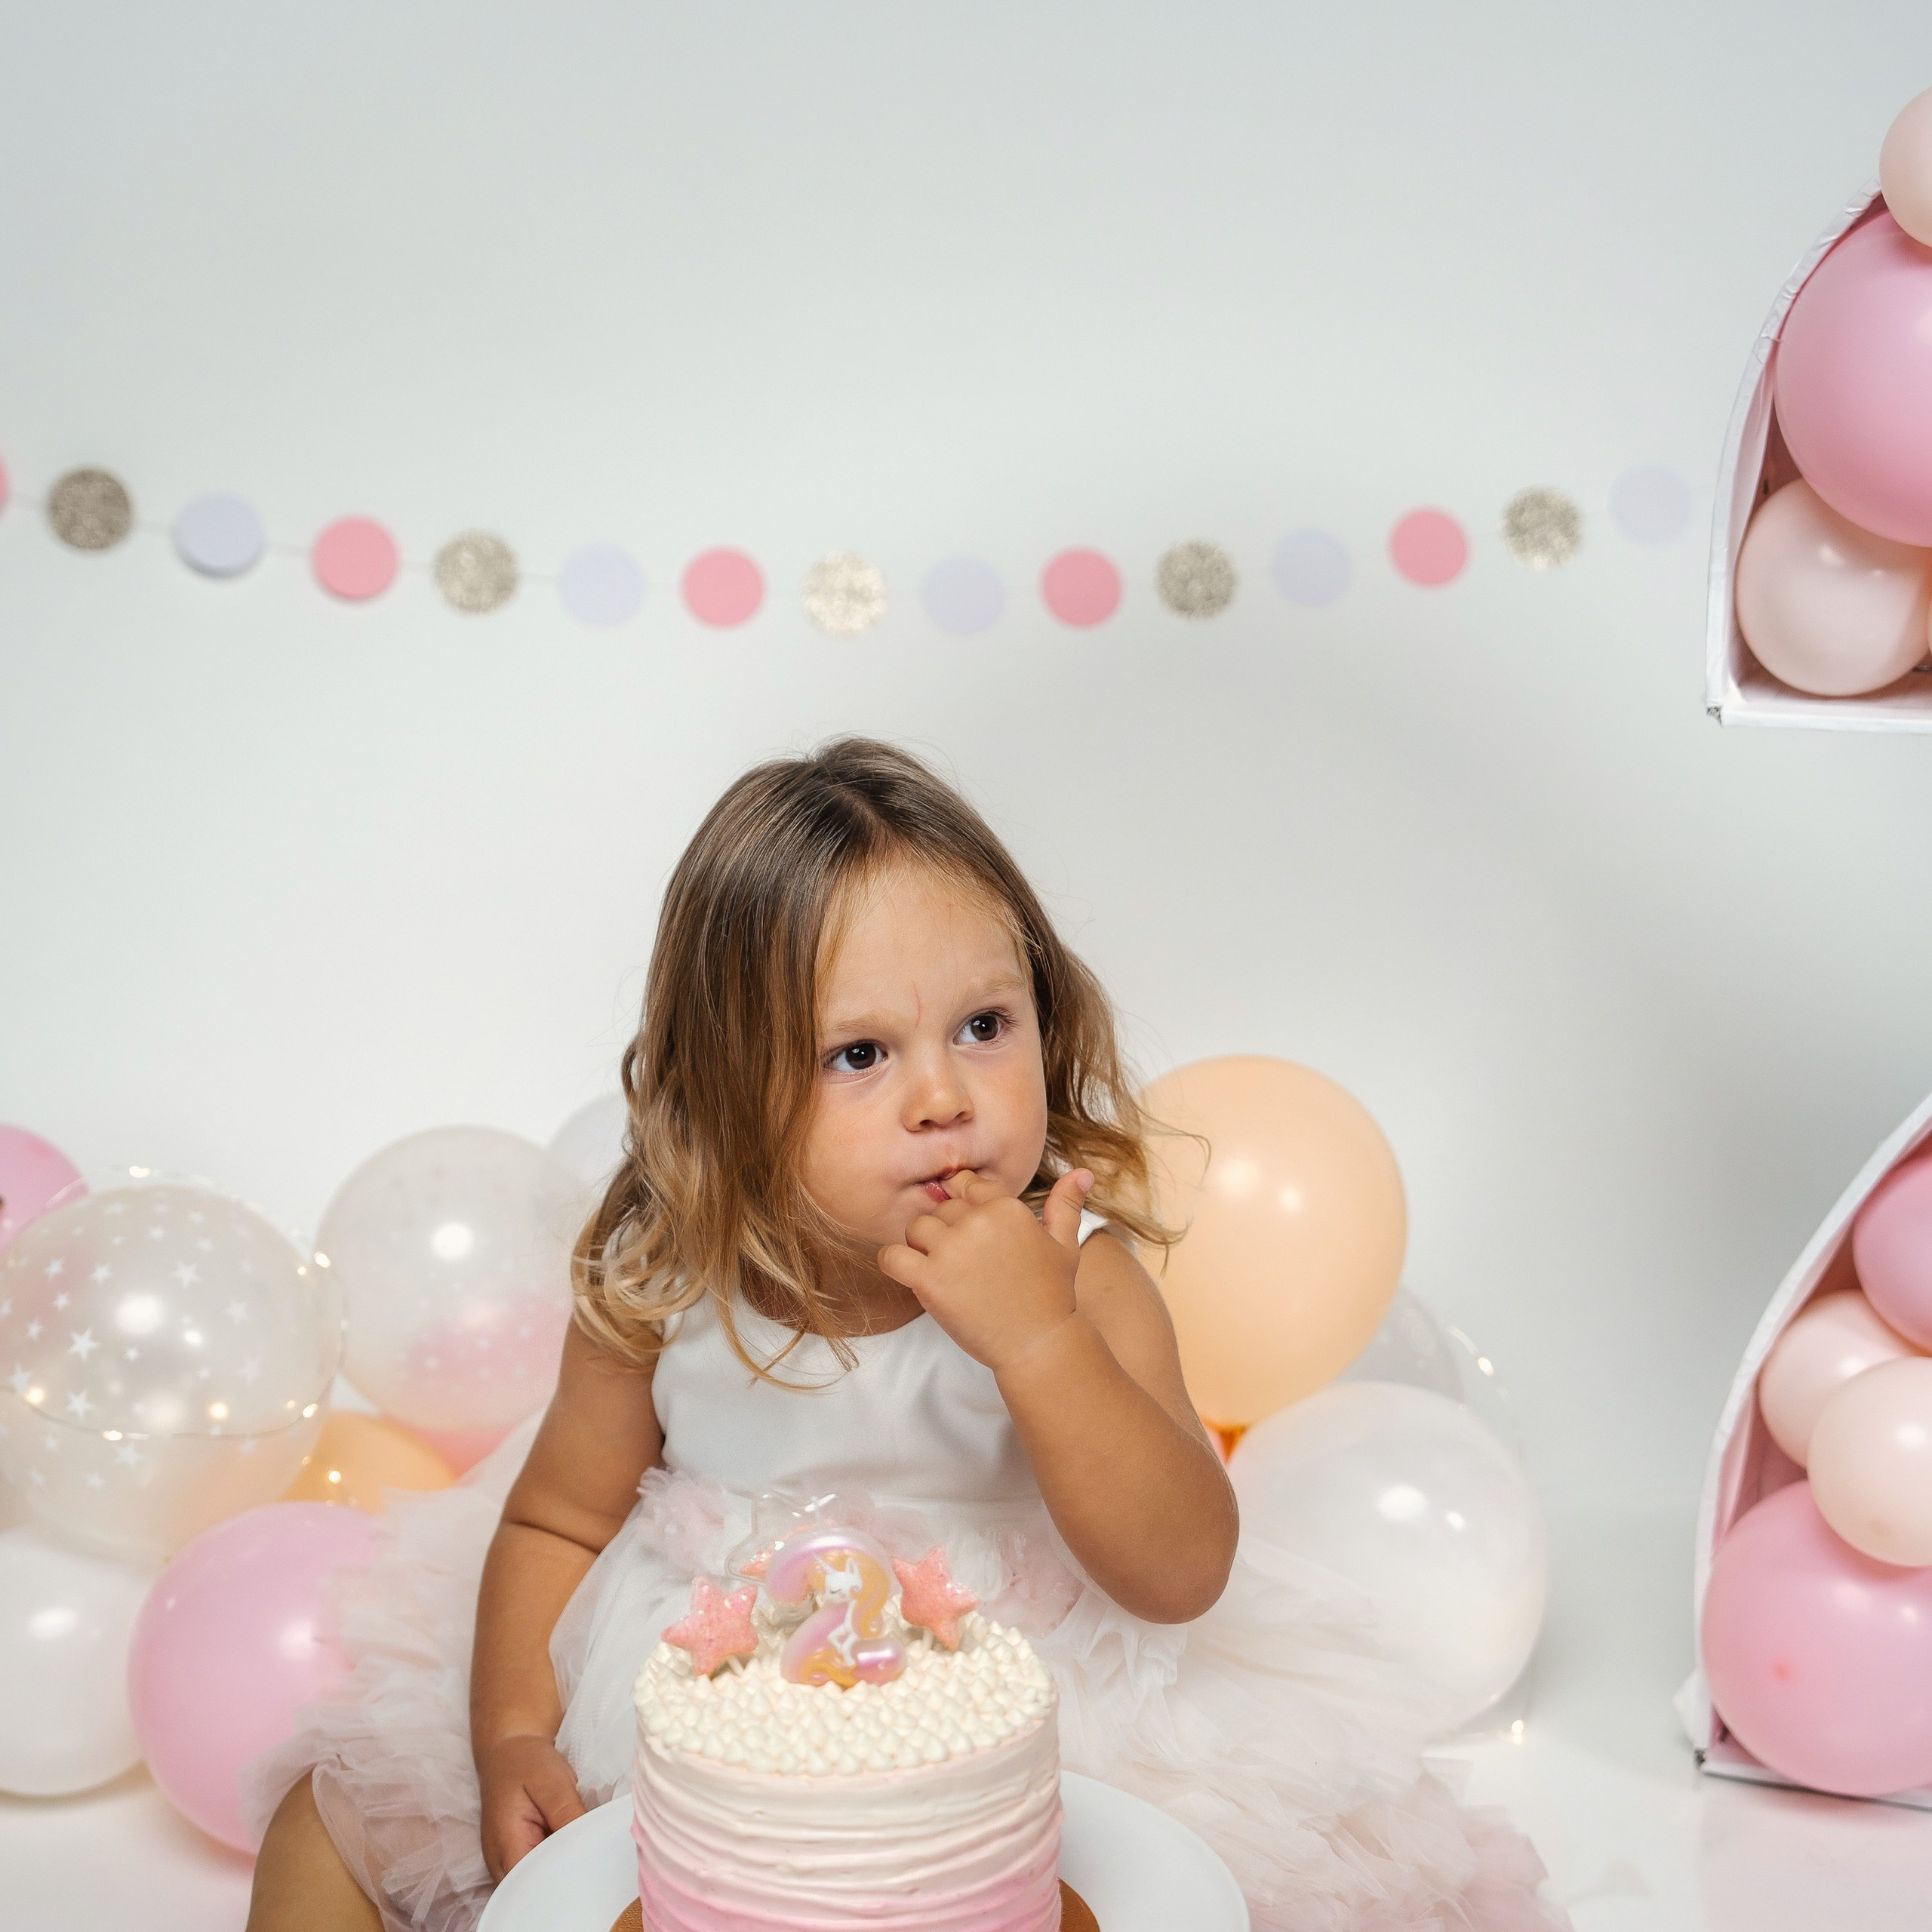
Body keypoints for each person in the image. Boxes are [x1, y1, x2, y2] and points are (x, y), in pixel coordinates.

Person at [243, 737, 1564, 1932]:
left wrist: (1039, 1345)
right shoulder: (670, 1278)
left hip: (1040, 1740)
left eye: (984, 1028)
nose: (943, 1096)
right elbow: (554, 1525)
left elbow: (1180, 1569)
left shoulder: (1080, 1283)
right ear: (723, 1087)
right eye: (859, 1055)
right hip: (698, 1720)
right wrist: (516, 1731)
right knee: (335, 1820)